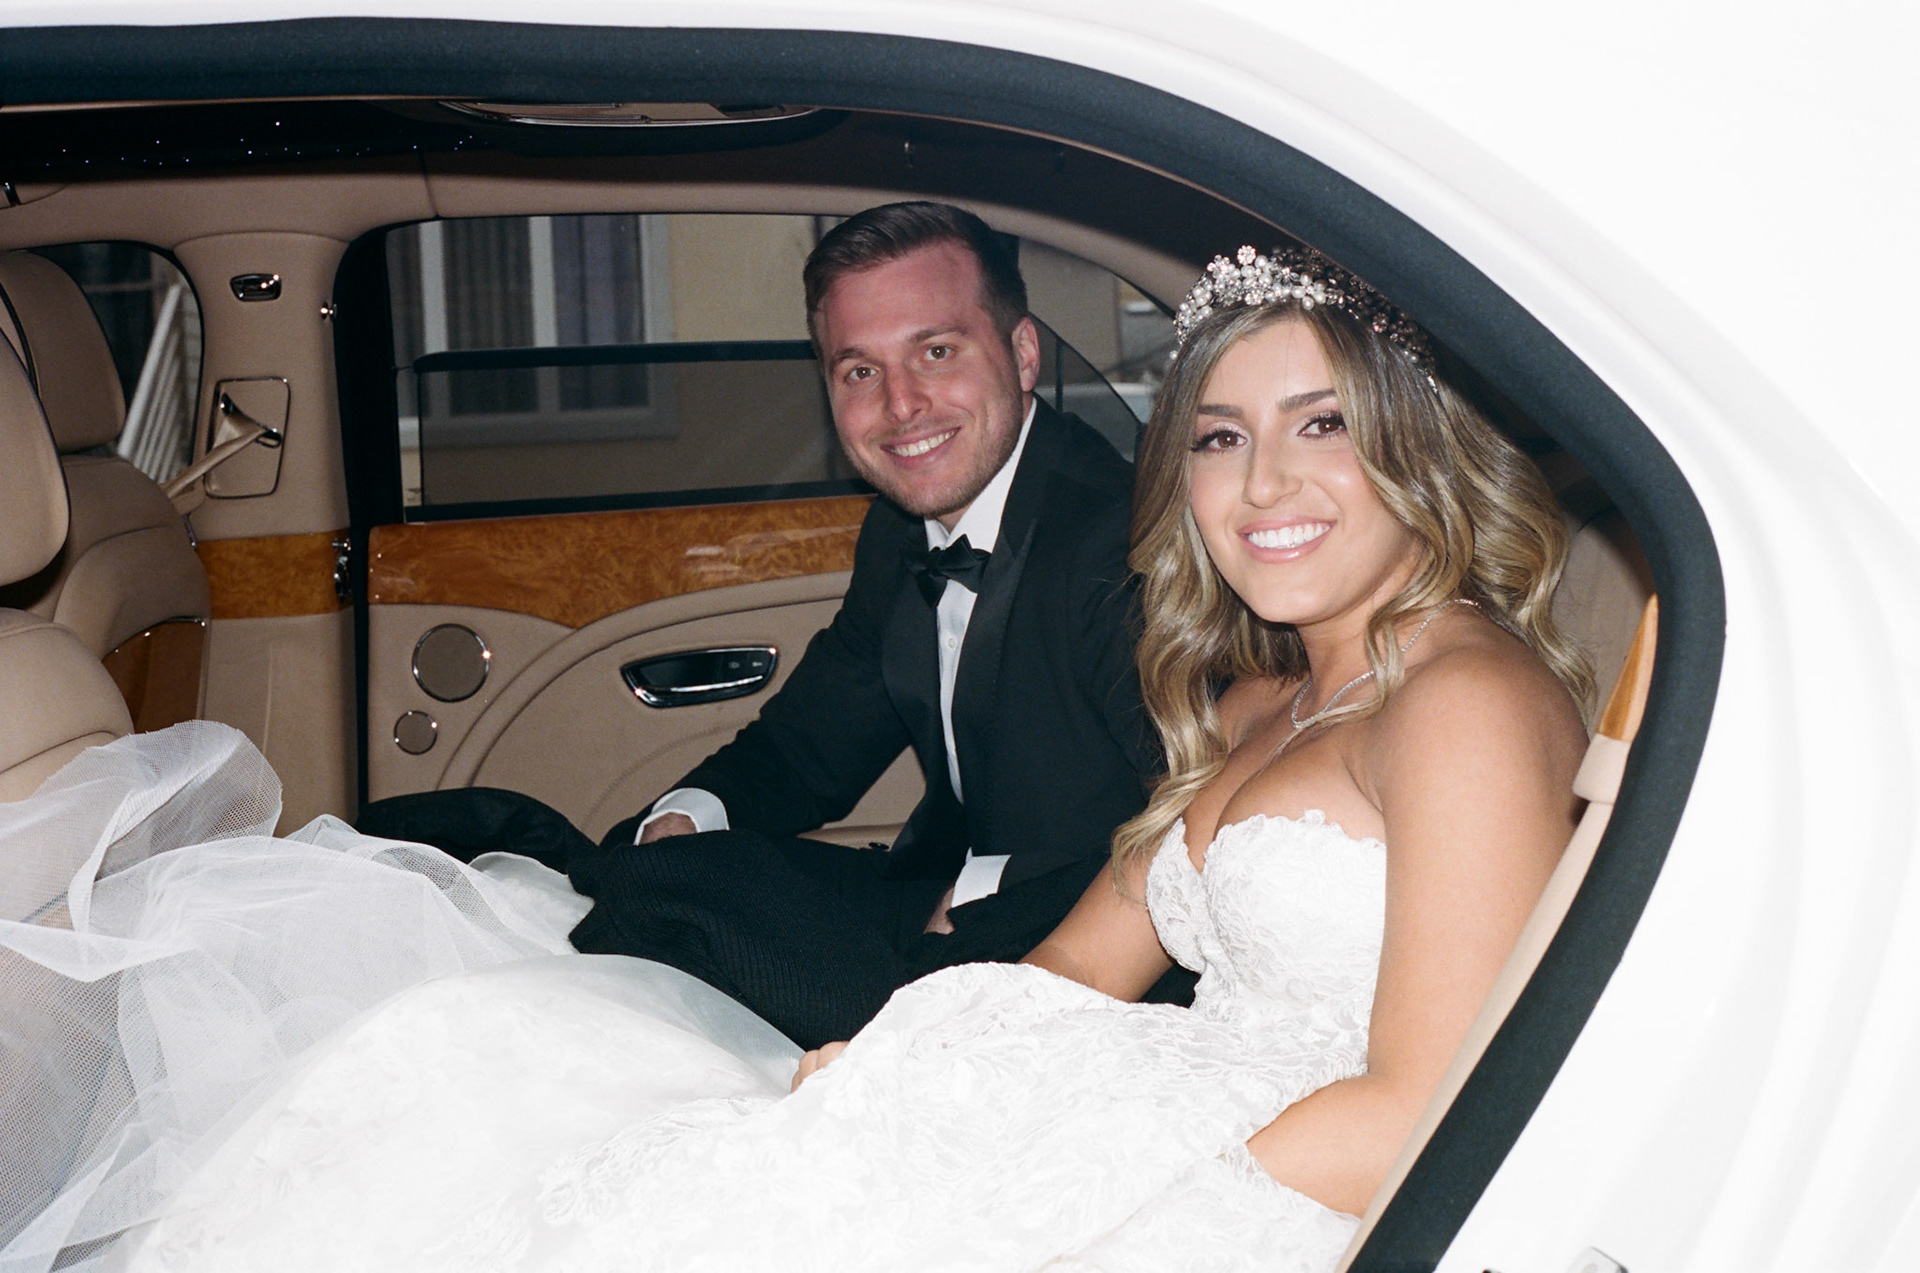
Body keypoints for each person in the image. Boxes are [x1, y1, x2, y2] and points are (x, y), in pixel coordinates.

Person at [0, 245, 1592, 1273]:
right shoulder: (1268, 699)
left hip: (1228, 1175)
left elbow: (1438, 1103)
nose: (1262, 486)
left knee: (591, 1056)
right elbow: (1069, 952)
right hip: (1075, 1068)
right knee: (505, 1012)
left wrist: (1053, 1174)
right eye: (1224, 438)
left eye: (1322, 425)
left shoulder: (1454, 699)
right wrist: (914, 1071)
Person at [565, 201, 1172, 1049]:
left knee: (661, 930)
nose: (901, 404)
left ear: (1024, 353)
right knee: (634, 883)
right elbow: (811, 746)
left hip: (1086, 954)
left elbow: (1196, 824)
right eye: (859, 371)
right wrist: (691, 819)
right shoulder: (899, 531)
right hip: (937, 898)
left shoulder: (1123, 543)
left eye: (936, 351)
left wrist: (987, 890)